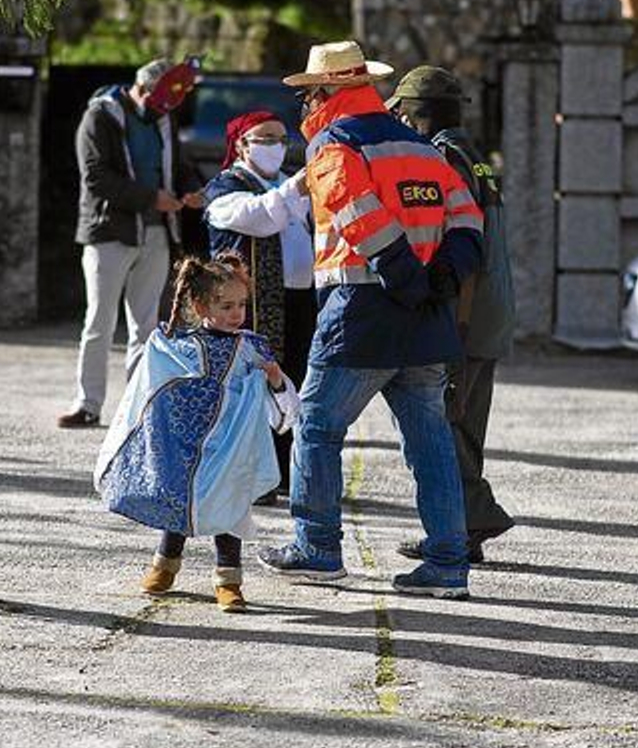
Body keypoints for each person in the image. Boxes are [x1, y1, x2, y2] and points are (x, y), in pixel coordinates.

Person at [257, 41, 486, 599]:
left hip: (362, 309)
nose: (305, 105)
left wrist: (406, 279)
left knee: (317, 426)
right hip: (426, 313)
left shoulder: (333, 144)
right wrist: (440, 280)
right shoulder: (421, 146)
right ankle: (448, 563)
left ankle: (317, 548)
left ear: (325, 92)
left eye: (308, 94)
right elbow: (467, 219)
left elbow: (357, 214)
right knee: (430, 441)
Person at [95, 254, 299, 613]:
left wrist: (274, 378)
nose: (237, 313)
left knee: (230, 509)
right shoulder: (179, 344)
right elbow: (153, 385)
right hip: (186, 446)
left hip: (232, 446)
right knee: (180, 501)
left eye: (241, 305)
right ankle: (164, 565)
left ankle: (228, 580)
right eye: (226, 306)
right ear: (201, 306)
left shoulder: (251, 348)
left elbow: (285, 408)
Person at [388, 66, 516, 565]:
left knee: (443, 421)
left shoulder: (443, 158)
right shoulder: (475, 156)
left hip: (464, 313)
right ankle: (463, 529)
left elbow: (461, 248)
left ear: (414, 115)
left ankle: (471, 519)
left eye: (402, 113)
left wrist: (455, 325)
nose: (399, 121)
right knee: (464, 423)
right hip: (491, 311)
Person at [59, 58, 206, 428]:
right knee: (99, 322)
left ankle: (139, 407)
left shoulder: (165, 117)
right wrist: (151, 198)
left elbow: (180, 165)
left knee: (146, 326)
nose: (162, 111)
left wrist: (192, 190)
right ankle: (88, 404)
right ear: (141, 88)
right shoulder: (99, 117)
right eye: (158, 103)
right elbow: (96, 177)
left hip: (157, 232)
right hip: (109, 232)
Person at [203, 109, 315, 504]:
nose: (276, 147)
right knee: (251, 387)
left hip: (299, 298)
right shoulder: (224, 187)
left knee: (292, 382)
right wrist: (296, 188)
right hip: (247, 306)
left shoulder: (289, 183)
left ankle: (282, 473)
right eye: (265, 139)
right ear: (242, 145)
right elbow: (261, 218)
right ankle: (251, 476)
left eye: (282, 139)